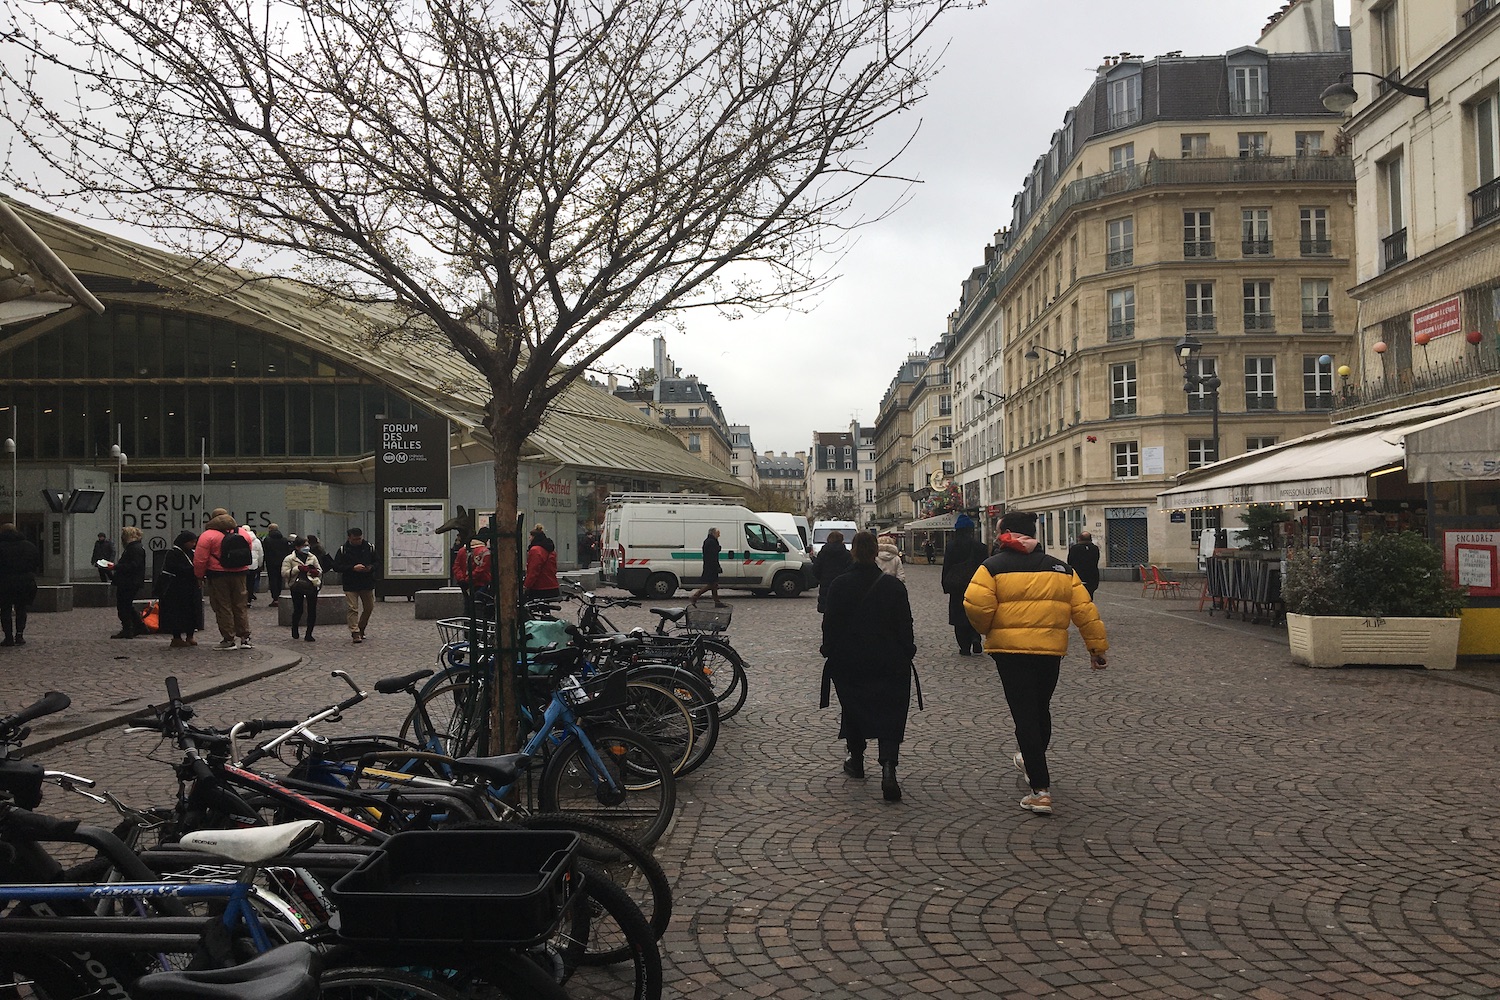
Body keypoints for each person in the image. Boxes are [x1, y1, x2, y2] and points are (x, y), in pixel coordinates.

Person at [964, 510, 1109, 817]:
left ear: (1006, 533)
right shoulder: (1060, 569)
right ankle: (1032, 762)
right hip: (1049, 651)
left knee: (1024, 713)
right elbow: (1085, 610)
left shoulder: (992, 567)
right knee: (1040, 707)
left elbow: (975, 605)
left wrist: (987, 628)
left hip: (1010, 653)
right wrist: (1096, 648)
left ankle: (1040, 789)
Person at [819, 531, 920, 803]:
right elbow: (905, 625)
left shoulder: (840, 585)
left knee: (854, 709)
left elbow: (830, 624)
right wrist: (906, 651)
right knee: (891, 712)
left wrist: (829, 650)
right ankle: (888, 767)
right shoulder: (893, 587)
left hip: (850, 660)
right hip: (889, 660)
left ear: (853, 552)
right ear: (875, 552)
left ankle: (857, 759)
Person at [194, 508, 255, 650]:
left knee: (223, 606)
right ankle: (245, 638)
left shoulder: (208, 535)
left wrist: (199, 576)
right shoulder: (242, 532)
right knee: (240, 605)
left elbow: (200, 559)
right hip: (240, 573)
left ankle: (228, 639)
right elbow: (248, 551)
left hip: (218, 575)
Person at [941, 514, 988, 656]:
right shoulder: (980, 547)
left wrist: (946, 585)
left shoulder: (951, 546)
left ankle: (964, 647)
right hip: (975, 584)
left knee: (959, 615)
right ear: (970, 530)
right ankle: (975, 637)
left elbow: (946, 567)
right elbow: (986, 568)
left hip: (957, 586)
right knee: (974, 612)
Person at [154, 530, 201, 648]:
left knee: (192, 611)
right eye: (191, 542)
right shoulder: (173, 553)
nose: (193, 544)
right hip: (176, 588)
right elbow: (176, 568)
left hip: (191, 587)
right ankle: (177, 637)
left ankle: (190, 635)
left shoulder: (191, 553)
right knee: (177, 613)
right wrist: (193, 570)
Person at [333, 526, 379, 643]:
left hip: (366, 582)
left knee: (369, 607)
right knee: (352, 608)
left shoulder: (369, 547)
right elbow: (337, 566)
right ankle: (355, 632)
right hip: (350, 583)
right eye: (355, 539)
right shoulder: (343, 550)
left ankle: (361, 627)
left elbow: (377, 561)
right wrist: (352, 568)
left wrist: (371, 568)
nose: (358, 541)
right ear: (349, 538)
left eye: (359, 538)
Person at [0, 523, 41, 647]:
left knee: (5, 610)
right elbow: (36, 563)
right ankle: (19, 635)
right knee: (21, 608)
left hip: (4, 582)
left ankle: (8, 637)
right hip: (25, 582)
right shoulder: (29, 546)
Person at [109, 525, 148, 639]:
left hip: (129, 581)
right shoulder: (136, 547)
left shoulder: (134, 548)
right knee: (127, 605)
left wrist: (116, 567)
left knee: (123, 606)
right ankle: (139, 625)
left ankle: (128, 628)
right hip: (131, 581)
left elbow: (133, 565)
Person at [283, 538, 322, 642]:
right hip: (297, 585)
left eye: (307, 545)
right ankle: (295, 628)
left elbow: (319, 570)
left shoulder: (312, 557)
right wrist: (297, 569)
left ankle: (309, 633)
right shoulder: (290, 559)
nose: (307, 547)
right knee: (298, 609)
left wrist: (315, 572)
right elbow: (284, 573)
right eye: (304, 545)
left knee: (312, 609)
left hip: (311, 584)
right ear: (297, 547)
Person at [812, 529, 851, 614]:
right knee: (841, 611)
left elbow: (816, 569)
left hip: (826, 585)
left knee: (827, 610)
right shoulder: (847, 554)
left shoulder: (823, 553)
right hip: (842, 586)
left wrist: (821, 578)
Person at [687, 527, 725, 607]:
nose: (719, 534)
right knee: (711, 585)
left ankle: (717, 602)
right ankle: (695, 596)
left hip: (710, 566)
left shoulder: (710, 541)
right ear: (713, 533)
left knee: (714, 585)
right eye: (718, 532)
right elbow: (712, 556)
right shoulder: (711, 542)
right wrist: (717, 566)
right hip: (711, 566)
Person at [453, 535, 493, 603]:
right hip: (480, 583)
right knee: (479, 605)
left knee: (467, 604)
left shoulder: (462, 550)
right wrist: (469, 579)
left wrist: (462, 579)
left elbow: (456, 566)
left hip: (464, 584)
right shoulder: (484, 551)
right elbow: (482, 569)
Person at [262, 524, 293, 605]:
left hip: (271, 562)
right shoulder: (284, 539)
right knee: (279, 579)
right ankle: (278, 595)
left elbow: (265, 552)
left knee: (273, 579)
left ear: (269, 529)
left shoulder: (267, 540)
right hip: (282, 562)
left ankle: (275, 598)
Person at [1066, 531, 1102, 599]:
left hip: (1079, 576)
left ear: (1079, 539)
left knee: (1079, 596)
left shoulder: (1074, 548)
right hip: (1092, 577)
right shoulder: (1095, 549)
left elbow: (1070, 561)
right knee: (1090, 595)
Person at [245, 528, 266, 605]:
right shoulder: (257, 541)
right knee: (251, 582)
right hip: (253, 565)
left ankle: (243, 598)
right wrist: (260, 564)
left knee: (243, 582)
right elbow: (261, 554)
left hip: (243, 565)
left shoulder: (240, 539)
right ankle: (249, 598)